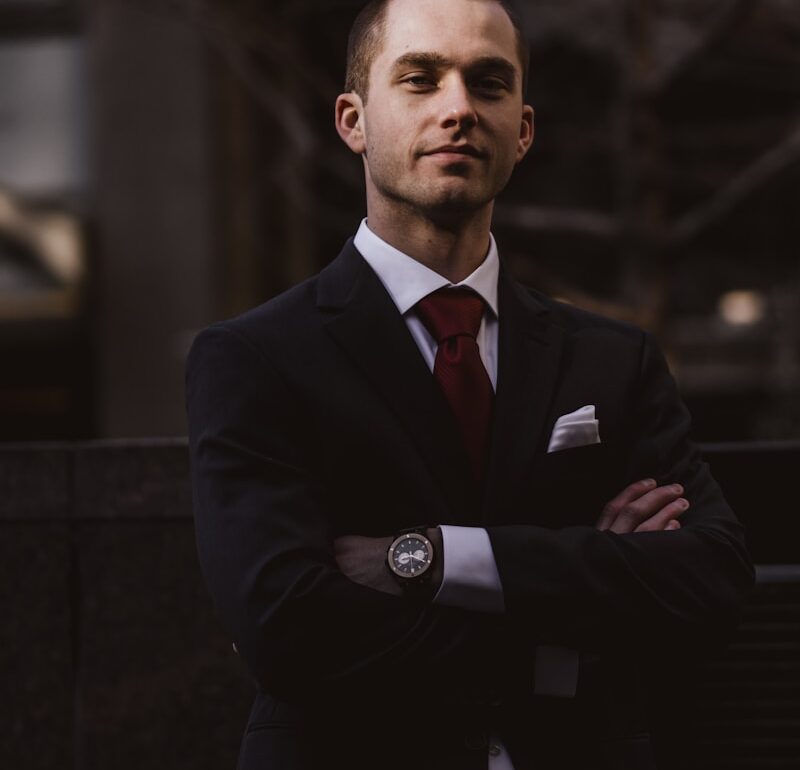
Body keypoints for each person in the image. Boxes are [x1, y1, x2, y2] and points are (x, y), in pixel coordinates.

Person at [185, 1, 754, 768]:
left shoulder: (613, 361)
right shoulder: (254, 358)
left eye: (488, 84)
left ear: (522, 129)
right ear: (353, 120)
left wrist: (430, 558)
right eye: (420, 79)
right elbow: (289, 632)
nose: (458, 109)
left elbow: (711, 583)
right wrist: (571, 629)